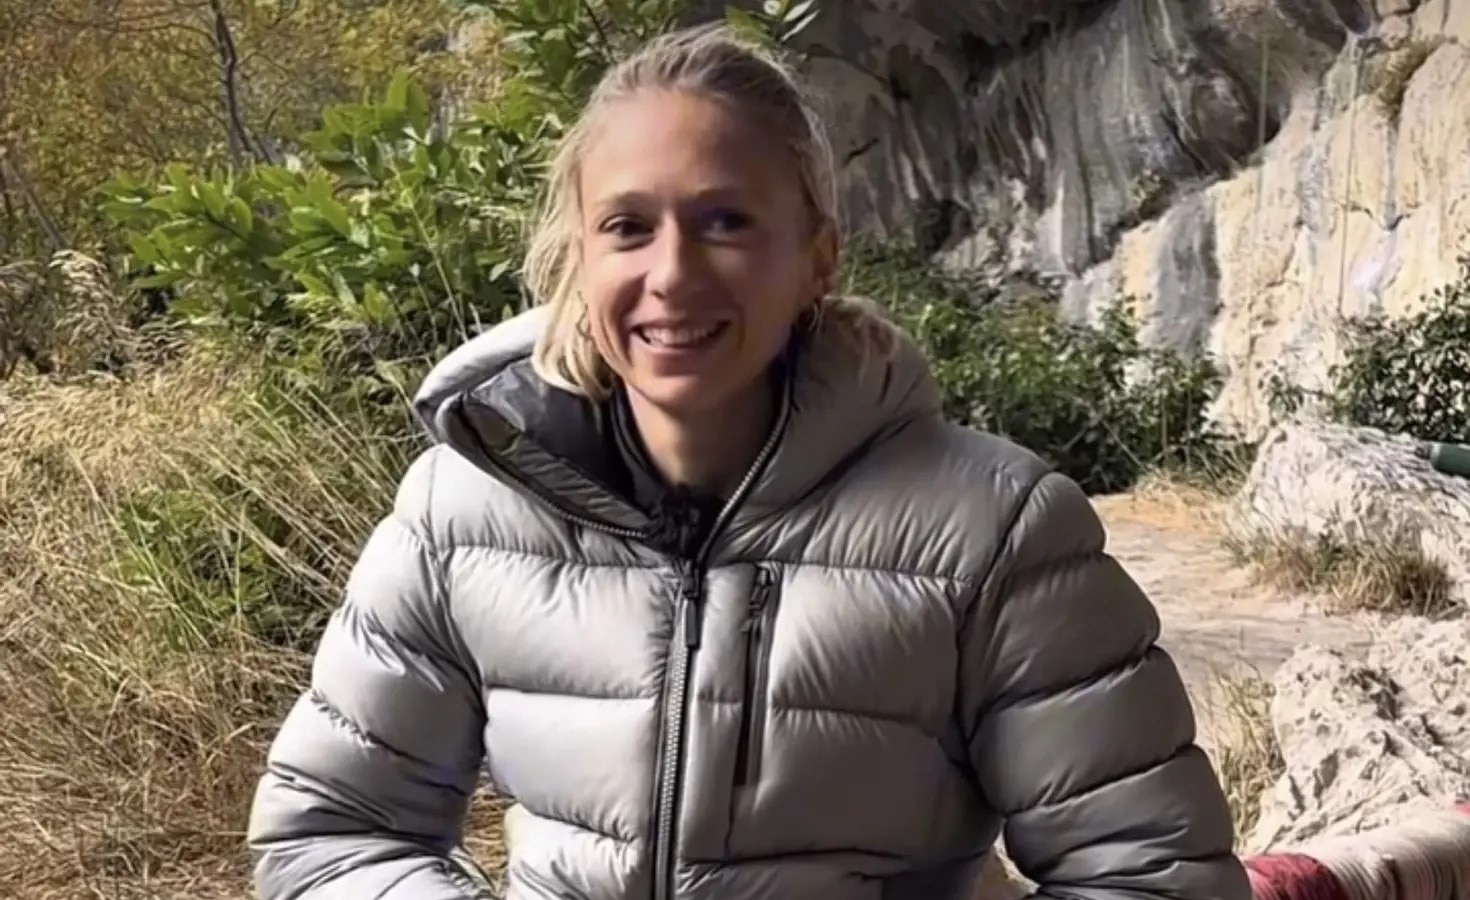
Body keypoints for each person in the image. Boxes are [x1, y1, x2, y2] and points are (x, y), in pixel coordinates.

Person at [246, 22, 1251, 900]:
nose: (671, 273)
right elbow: (332, 831)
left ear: (817, 258)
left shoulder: (993, 533)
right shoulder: (461, 511)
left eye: (724, 221)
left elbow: (1154, 875)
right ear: (580, 256)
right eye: (628, 227)